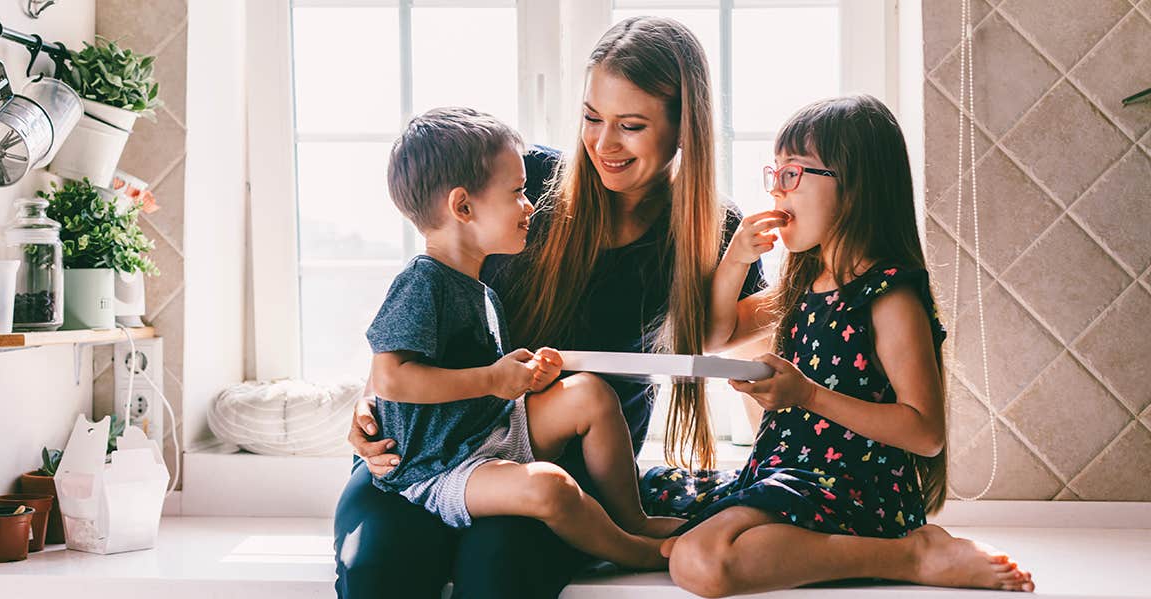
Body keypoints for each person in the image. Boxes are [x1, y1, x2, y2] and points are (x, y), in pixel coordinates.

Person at [335, 17, 766, 598]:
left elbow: (749, 359)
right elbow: (420, 305)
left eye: (631, 125)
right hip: (426, 451)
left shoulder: (715, 232)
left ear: (684, 126)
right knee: (377, 570)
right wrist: (373, 403)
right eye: (592, 118)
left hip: (566, 468)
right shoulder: (522, 180)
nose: (603, 144)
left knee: (499, 572)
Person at [653, 94, 1035, 596]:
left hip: (854, 492)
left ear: (853, 188)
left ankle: (910, 555)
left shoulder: (888, 295)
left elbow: (925, 434)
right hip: (788, 478)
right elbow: (712, 338)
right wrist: (735, 261)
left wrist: (807, 395)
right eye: (775, 175)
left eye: (793, 175)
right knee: (653, 503)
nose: (777, 192)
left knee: (699, 560)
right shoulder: (800, 289)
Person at [364, 106, 681, 570]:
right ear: (463, 207)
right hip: (442, 467)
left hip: (487, 430)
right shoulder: (423, 281)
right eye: (517, 193)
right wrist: (493, 379)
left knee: (590, 392)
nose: (531, 205)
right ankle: (636, 552)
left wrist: (523, 374)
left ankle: (632, 517)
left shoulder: (478, 287)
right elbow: (391, 378)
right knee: (550, 487)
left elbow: (474, 372)